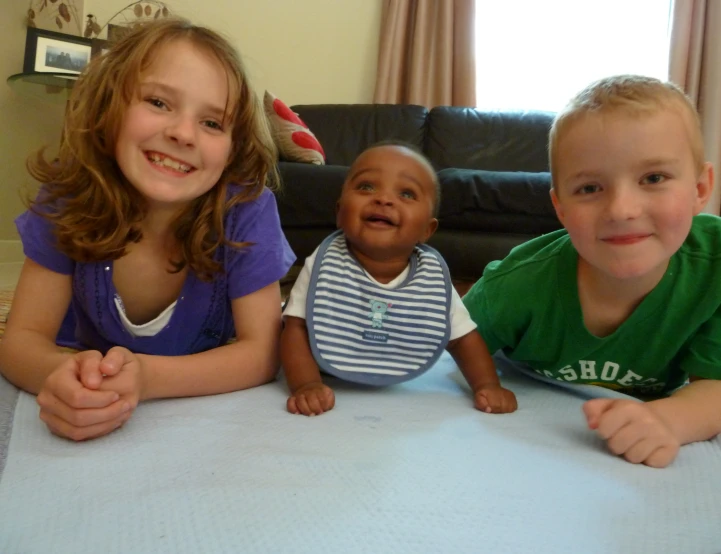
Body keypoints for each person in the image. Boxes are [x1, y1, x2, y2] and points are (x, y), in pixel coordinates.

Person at [0, 19, 296, 441]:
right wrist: (62, 376)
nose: (182, 133)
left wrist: (147, 378)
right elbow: (20, 341)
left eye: (213, 123)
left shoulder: (245, 209)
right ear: (108, 109)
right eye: (158, 102)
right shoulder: (68, 197)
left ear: (234, 149)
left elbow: (263, 353)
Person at [463, 75, 721, 468]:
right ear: (560, 208)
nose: (622, 210)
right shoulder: (514, 284)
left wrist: (669, 420)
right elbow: (443, 345)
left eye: (653, 178)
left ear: (700, 189)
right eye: (591, 188)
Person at [281, 143, 517, 416]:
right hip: (320, 365)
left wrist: (487, 384)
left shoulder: (430, 279)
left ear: (427, 230)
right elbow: (295, 329)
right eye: (367, 187)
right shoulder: (324, 264)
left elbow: (463, 339)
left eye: (406, 193)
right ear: (339, 213)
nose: (383, 199)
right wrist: (306, 384)